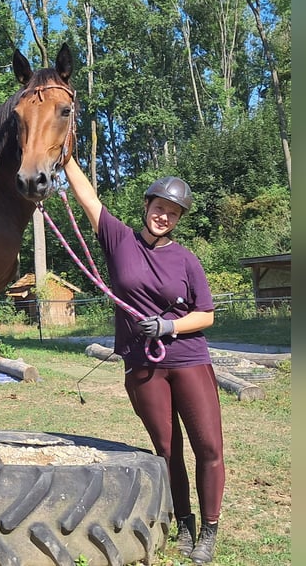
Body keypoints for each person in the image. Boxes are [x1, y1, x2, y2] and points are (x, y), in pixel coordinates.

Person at [63, 157, 225, 564]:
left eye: (172, 213)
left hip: (187, 358)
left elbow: (206, 314)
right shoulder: (119, 239)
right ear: (147, 205)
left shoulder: (186, 259)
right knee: (167, 450)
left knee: (208, 446)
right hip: (142, 364)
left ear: (178, 219)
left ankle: (209, 528)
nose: (163, 216)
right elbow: (88, 199)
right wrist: (65, 157)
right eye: (159, 207)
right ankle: (184, 522)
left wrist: (168, 328)